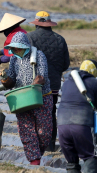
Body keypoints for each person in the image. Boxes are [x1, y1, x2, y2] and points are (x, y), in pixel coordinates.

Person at [0, 32, 55, 166]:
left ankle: (37, 154)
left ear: (25, 46)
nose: (16, 50)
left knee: (44, 132)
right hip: (22, 99)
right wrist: (5, 79)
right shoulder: (14, 59)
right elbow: (11, 80)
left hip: (40, 98)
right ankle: (34, 160)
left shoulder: (38, 55)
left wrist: (33, 87)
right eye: (14, 48)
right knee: (27, 130)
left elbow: (43, 76)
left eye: (19, 48)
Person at [26, 11, 70, 150]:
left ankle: (37, 144)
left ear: (37, 23)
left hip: (36, 84)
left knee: (34, 113)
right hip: (54, 84)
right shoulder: (60, 39)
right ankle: (50, 144)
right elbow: (65, 64)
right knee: (50, 112)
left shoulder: (30, 37)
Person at [57, 60, 97, 173]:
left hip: (62, 126)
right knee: (89, 155)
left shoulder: (66, 83)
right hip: (82, 125)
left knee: (71, 161)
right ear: (93, 72)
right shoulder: (95, 83)